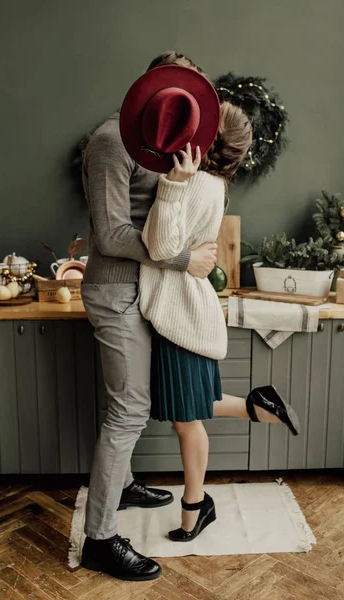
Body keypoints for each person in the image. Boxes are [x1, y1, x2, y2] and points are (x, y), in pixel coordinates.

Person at [118, 64, 298, 542]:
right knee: (195, 403)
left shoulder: (193, 182)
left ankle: (195, 507)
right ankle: (260, 406)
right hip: (187, 315)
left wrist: (174, 188)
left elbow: (159, 248)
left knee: (186, 421)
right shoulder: (215, 184)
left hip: (178, 319)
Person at [79, 52, 218, 582]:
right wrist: (185, 259)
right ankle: (99, 539)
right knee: (128, 411)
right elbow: (111, 235)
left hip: (146, 292)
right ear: (150, 87)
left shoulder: (158, 146)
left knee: (133, 403)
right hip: (116, 294)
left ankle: (126, 483)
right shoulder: (110, 141)